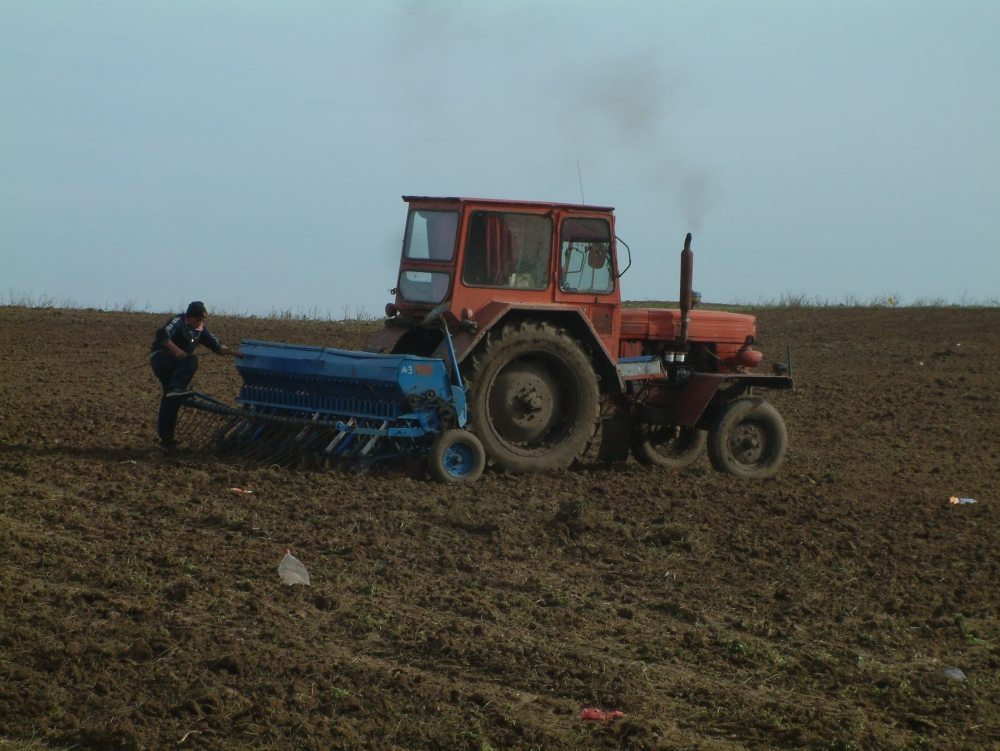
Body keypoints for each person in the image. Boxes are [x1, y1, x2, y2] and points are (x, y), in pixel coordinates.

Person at [149, 301, 242, 450]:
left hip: (178, 365)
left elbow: (218, 347)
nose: (201, 323)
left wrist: (238, 353)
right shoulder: (178, 321)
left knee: (170, 400)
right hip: (162, 360)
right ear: (189, 317)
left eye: (203, 320)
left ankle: (166, 441)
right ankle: (177, 388)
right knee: (191, 359)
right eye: (199, 319)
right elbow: (162, 335)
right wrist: (176, 350)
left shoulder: (200, 330)